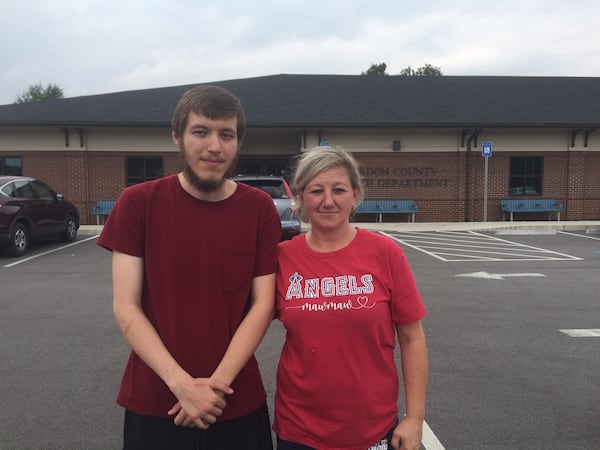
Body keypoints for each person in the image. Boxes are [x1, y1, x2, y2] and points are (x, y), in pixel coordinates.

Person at [97, 85, 281, 450]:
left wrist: (213, 390)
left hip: (235, 402)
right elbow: (126, 307)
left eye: (226, 134)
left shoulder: (258, 210)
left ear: (237, 142)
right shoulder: (138, 204)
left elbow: (263, 306)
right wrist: (182, 385)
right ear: (177, 137)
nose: (214, 145)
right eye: (201, 131)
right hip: (156, 403)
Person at [273, 145, 429, 450]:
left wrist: (415, 417)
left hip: (372, 428)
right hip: (299, 430)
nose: (328, 201)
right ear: (301, 196)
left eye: (339, 190)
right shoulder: (282, 258)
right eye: (316, 190)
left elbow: (413, 339)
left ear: (355, 194)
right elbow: (244, 323)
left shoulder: (385, 254)